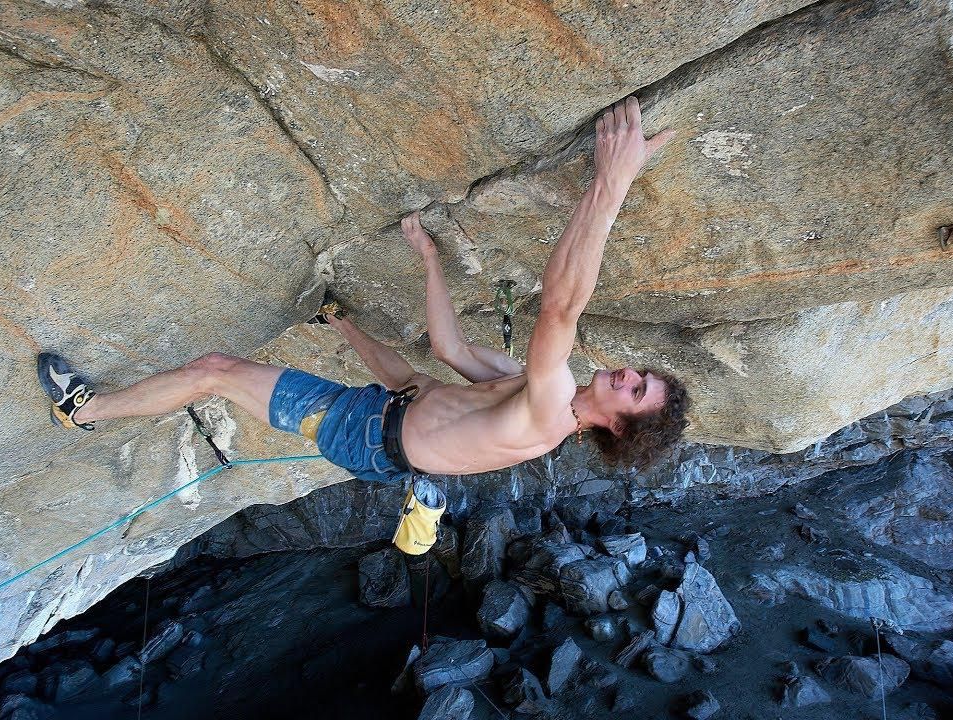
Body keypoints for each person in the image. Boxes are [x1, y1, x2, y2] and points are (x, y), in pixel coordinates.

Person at [38, 97, 688, 547]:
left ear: (614, 427)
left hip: (361, 434)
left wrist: (610, 184)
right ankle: (411, 466)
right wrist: (429, 259)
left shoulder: (550, 412)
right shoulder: (539, 387)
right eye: (643, 375)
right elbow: (449, 348)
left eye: (634, 391)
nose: (628, 374)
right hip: (396, 426)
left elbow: (560, 307)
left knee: (214, 372)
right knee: (417, 383)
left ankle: (84, 410)